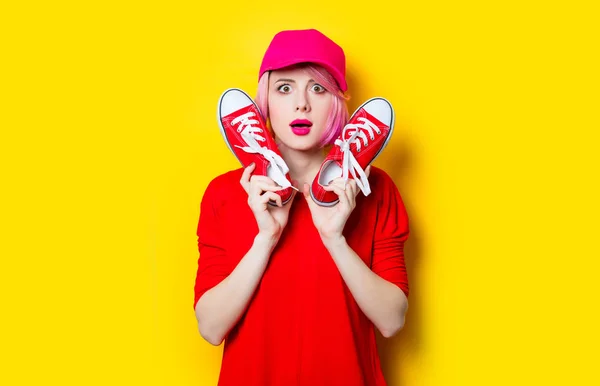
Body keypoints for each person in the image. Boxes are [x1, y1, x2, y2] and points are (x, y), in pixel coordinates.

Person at [193, 28, 410, 386]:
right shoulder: (225, 193)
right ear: (264, 104)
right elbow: (211, 327)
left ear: (338, 103)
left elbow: (392, 320)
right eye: (284, 88)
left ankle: (335, 170)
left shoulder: (376, 189)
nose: (301, 104)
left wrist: (335, 238)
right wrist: (266, 237)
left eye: (318, 89)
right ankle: (271, 170)